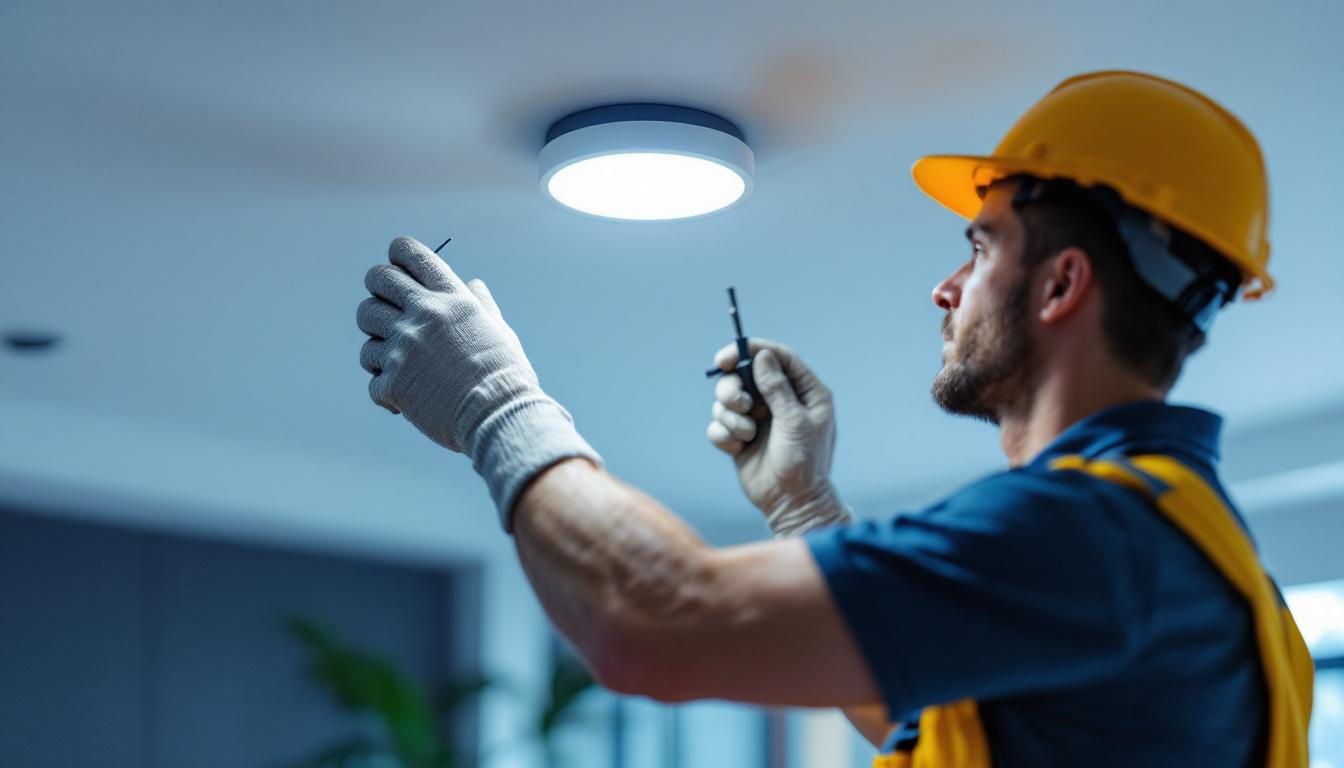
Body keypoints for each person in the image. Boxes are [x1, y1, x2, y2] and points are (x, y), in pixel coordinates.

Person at [355, 71, 1312, 766]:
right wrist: (806, 507)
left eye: (981, 247)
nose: (947, 288)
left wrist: (496, 404)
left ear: (1063, 283)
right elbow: (931, 727)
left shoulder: (1096, 536)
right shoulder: (1213, 571)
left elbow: (652, 621)